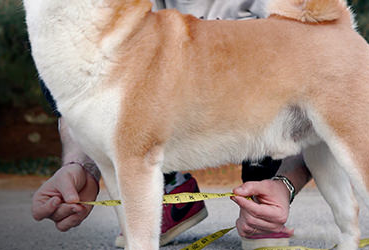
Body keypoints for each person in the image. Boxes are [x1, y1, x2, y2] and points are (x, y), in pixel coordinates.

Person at [31, 1, 313, 249]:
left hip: (262, 108)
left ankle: (264, 188)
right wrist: (82, 165)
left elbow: (330, 86)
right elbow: (90, 81)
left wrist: (286, 181)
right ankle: (169, 190)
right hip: (158, 108)